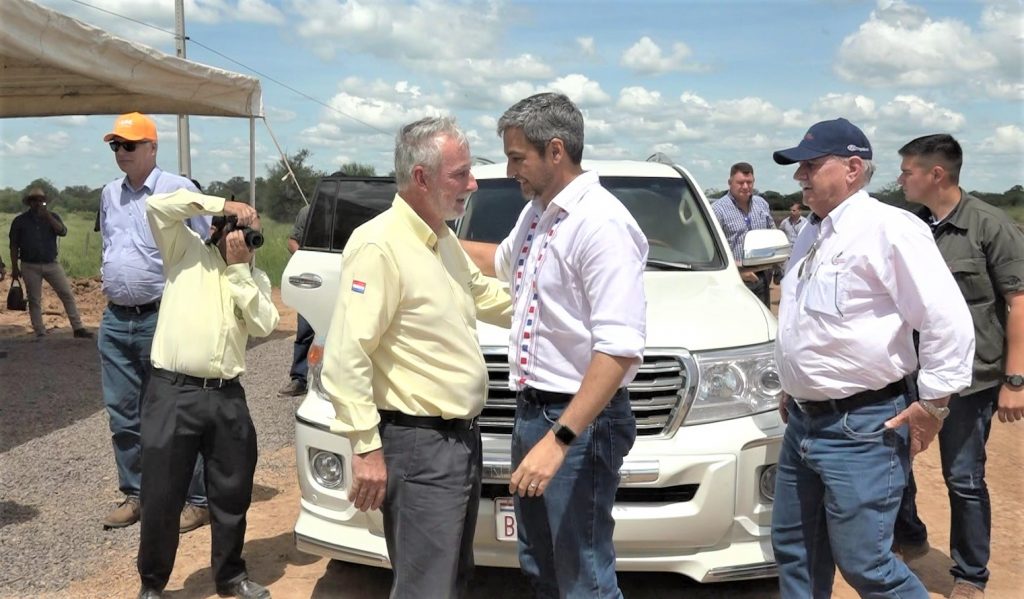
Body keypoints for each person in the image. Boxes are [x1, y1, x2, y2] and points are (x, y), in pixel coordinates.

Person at [770, 118, 975, 598]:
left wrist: (934, 404)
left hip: (860, 427)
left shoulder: (889, 229)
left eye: (812, 165)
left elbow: (947, 320)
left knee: (867, 565)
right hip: (803, 422)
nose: (801, 176)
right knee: (796, 551)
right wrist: (793, 382)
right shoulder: (812, 233)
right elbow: (809, 320)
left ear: (853, 168)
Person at [319, 116, 512, 598]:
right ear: (422, 178)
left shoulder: (441, 238)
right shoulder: (379, 245)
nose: (471, 184)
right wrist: (366, 448)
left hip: (460, 443)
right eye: (461, 174)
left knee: (452, 577)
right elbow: (347, 356)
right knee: (428, 585)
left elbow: (485, 296)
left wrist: (560, 302)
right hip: (419, 446)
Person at [466, 92, 648, 598]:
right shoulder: (540, 214)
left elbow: (618, 350)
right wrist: (425, 233)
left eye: (517, 157)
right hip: (534, 413)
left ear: (556, 150)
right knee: (542, 563)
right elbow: (497, 263)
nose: (509, 169)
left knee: (581, 575)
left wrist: (560, 440)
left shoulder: (601, 223)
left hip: (577, 425)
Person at [893, 134, 1024, 599]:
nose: (901, 178)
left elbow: (1018, 302)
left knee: (963, 478)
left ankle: (970, 575)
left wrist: (1014, 380)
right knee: (897, 465)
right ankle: (908, 539)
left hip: (970, 380)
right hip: (912, 372)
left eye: (907, 170)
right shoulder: (912, 226)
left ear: (937, 174)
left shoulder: (990, 226)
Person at [135, 190, 278, 599]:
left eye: (253, 234)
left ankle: (231, 576)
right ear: (218, 228)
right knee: (161, 495)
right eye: (240, 230)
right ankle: (152, 583)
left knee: (232, 492)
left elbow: (264, 323)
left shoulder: (253, 276)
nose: (246, 239)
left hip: (226, 396)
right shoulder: (184, 252)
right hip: (173, 392)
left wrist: (239, 271)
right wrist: (223, 205)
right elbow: (158, 206)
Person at [97, 112, 211, 532]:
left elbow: (208, 241)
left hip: (162, 317)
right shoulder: (110, 194)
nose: (121, 153)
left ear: (152, 147)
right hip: (115, 320)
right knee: (122, 414)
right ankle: (137, 494)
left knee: (176, 411)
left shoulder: (176, 188)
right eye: (115, 146)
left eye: (128, 145)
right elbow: (112, 243)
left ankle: (197, 499)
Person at [8, 187, 92, 339]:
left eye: (41, 200)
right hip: (29, 265)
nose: (38, 203)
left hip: (51, 263)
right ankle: (40, 331)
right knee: (34, 299)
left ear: (45, 202)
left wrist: (48, 217)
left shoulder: (52, 216)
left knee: (66, 294)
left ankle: (78, 327)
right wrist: (14, 267)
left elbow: (62, 231)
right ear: (29, 203)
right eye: (34, 200)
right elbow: (13, 245)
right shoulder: (20, 221)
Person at [711, 162, 777, 306]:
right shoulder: (718, 210)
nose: (746, 187)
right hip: (734, 279)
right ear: (730, 183)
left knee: (763, 323)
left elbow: (773, 232)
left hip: (763, 277)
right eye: (740, 182)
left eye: (749, 182)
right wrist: (737, 271)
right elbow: (711, 248)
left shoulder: (762, 204)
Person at [278, 204, 313, 398]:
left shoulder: (352, 210)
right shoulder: (307, 211)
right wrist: (306, 259)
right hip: (314, 277)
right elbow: (292, 241)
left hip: (346, 276)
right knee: (305, 331)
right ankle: (299, 379)